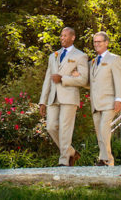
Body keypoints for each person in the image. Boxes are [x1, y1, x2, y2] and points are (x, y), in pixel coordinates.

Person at [38, 27, 88, 166]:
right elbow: (47, 79)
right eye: (61, 36)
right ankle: (71, 152)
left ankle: (64, 161)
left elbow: (83, 80)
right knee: (51, 127)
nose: (62, 38)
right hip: (53, 98)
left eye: (65, 36)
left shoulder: (80, 56)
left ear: (73, 37)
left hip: (69, 97)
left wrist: (63, 78)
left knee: (65, 129)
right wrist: (42, 101)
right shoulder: (53, 56)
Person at [87, 31, 121, 166]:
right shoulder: (92, 62)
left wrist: (118, 99)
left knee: (104, 128)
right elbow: (91, 82)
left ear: (106, 43)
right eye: (95, 42)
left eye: (99, 42)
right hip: (96, 104)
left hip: (109, 102)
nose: (96, 44)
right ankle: (105, 160)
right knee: (99, 132)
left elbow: (119, 81)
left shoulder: (114, 59)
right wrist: (75, 75)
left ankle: (106, 159)